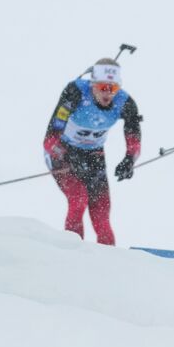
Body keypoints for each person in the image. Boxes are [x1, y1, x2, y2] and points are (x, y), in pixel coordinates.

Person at [43, 58, 143, 246]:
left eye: (113, 88)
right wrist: (66, 157)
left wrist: (129, 160)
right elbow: (50, 139)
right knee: (78, 199)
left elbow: (134, 141)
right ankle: (73, 253)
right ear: (92, 84)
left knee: (101, 213)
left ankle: (110, 264)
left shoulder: (125, 102)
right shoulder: (75, 93)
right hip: (62, 151)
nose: (108, 93)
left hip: (93, 154)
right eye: (103, 87)